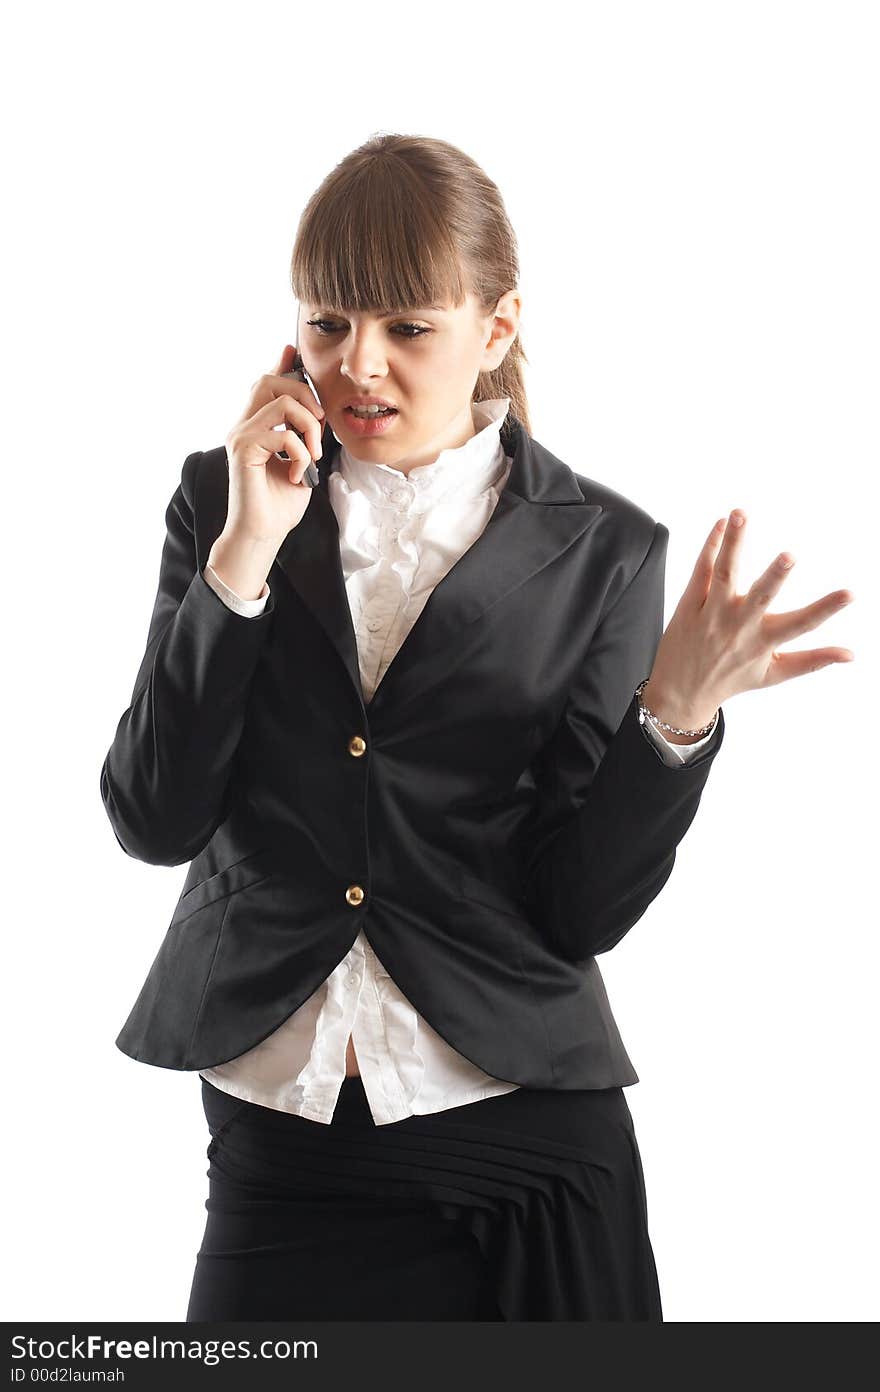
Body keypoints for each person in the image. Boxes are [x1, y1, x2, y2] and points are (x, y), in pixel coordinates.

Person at [100, 133, 855, 1323]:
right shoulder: (221, 499)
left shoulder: (604, 549)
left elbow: (575, 908)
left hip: (526, 1146)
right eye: (328, 322)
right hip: (282, 1131)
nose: (359, 366)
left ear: (495, 331)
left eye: (409, 328)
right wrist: (245, 553)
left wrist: (675, 716)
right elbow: (154, 816)